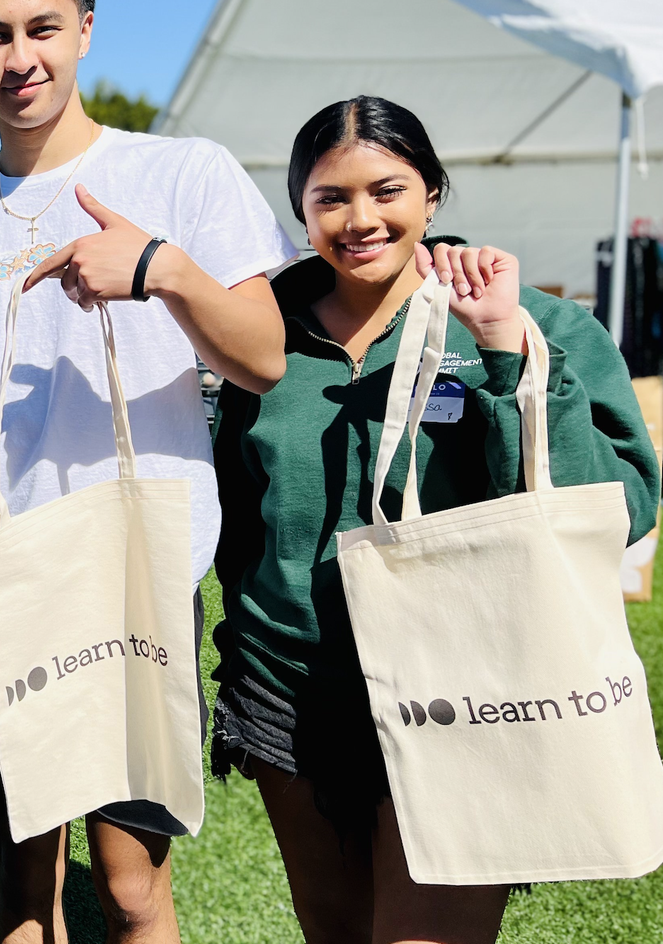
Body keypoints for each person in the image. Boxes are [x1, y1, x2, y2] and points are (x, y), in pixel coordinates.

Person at [0, 0, 297, 944]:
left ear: (84, 28)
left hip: (135, 568)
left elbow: (260, 352)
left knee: (129, 885)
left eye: (41, 27)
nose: (17, 57)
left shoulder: (182, 173)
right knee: (23, 877)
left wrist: (158, 268)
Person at [209, 96, 660, 944]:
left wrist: (503, 353)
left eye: (388, 189)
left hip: (466, 688)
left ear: (434, 193)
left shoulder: (541, 324)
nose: (361, 219)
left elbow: (621, 507)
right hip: (290, 694)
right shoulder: (262, 336)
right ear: (300, 209)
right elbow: (240, 518)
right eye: (329, 198)